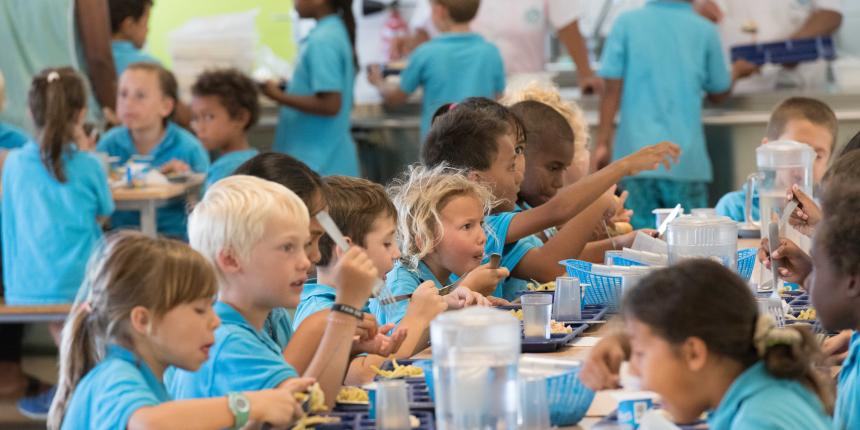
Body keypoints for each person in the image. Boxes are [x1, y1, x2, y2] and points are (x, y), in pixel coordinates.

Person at [3, 67, 114, 419]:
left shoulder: (14, 163)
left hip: (24, 285)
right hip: (80, 284)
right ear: (81, 114)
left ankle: (73, 387)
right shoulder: (89, 165)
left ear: (30, 112)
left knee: (64, 324)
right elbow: (104, 215)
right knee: (88, 314)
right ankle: (85, 389)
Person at [593, 0, 755, 228]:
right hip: (685, 163)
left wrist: (602, 142)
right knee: (688, 246)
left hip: (635, 160)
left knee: (637, 245)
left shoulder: (626, 23)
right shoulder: (704, 30)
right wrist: (737, 72)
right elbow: (718, 91)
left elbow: (611, 88)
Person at [97, 63, 209, 237]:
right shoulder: (108, 145)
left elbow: (206, 207)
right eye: (123, 94)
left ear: (166, 106)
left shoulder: (189, 148)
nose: (128, 103)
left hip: (173, 244)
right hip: (121, 241)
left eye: (140, 96)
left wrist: (185, 178)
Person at [369, 0, 505, 139]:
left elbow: (394, 99)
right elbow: (500, 101)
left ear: (439, 11)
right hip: (480, 146)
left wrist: (378, 82)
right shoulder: (491, 52)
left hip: (438, 149)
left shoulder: (426, 53)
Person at [405, 0, 603, 94]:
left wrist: (585, 74)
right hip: (465, 92)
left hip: (525, 91)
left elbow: (567, 25)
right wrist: (409, 46)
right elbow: (425, 25)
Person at [260, 0, 360, 177]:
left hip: (320, 163)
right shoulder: (329, 33)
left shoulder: (324, 40)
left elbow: (331, 104)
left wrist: (277, 96)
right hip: (321, 160)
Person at [716, 97, 837, 223]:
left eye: (817, 156)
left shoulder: (828, 212)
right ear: (768, 151)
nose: (805, 165)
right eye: (794, 152)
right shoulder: (734, 207)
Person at [189, 69, 260, 192]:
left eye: (209, 117)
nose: (199, 127)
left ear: (240, 118)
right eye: (195, 118)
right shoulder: (253, 159)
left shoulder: (228, 171)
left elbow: (210, 211)